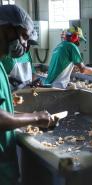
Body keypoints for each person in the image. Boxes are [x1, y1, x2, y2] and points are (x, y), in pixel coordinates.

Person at [0, 5, 53, 185]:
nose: (24, 44)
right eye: (23, 36)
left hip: (5, 167)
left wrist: (34, 116)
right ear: (6, 27)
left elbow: (4, 111)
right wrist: (36, 118)